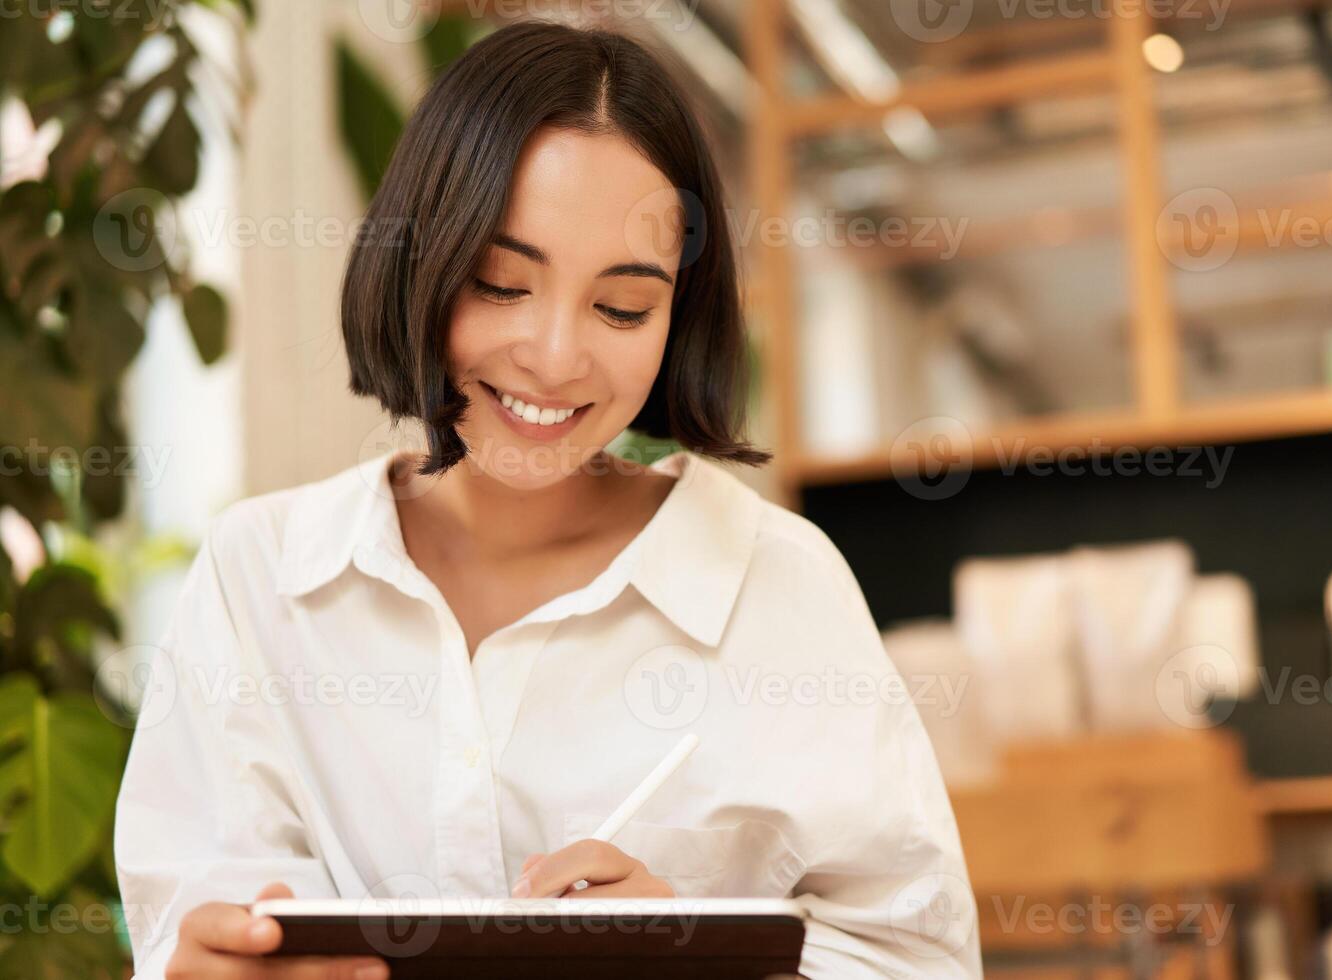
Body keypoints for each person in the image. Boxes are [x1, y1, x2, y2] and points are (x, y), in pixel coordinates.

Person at [114, 19, 981, 979]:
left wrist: (708, 960)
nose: (557, 357)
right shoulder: (261, 579)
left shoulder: (778, 588)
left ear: (676, 319)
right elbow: (188, 928)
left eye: (622, 307)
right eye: (499, 282)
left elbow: (920, 960)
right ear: (421, 262)